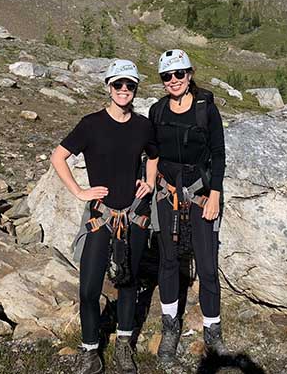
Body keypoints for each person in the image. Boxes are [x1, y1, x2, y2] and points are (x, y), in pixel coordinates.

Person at [51, 59, 158, 374]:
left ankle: (123, 344)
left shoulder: (143, 126)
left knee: (128, 282)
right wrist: (79, 191)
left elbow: (154, 156)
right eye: (118, 84)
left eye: (130, 85)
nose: (124, 90)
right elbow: (58, 157)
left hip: (134, 216)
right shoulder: (91, 124)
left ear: (135, 89)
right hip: (101, 216)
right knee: (88, 289)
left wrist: (150, 182)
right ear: (109, 87)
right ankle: (90, 351)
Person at [148, 49, 228, 365]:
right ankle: (170, 327)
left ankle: (212, 331)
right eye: (167, 76)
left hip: (200, 195)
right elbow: (151, 153)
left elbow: (218, 154)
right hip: (167, 194)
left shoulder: (206, 109)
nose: (173, 80)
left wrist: (215, 195)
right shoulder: (157, 111)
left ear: (189, 74)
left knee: (207, 264)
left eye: (179, 74)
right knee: (168, 261)